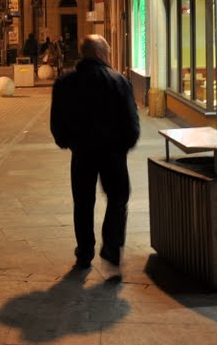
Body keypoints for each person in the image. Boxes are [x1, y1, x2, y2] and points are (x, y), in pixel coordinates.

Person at [49, 34, 140, 271]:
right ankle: (111, 248)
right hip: (113, 154)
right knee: (118, 198)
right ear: (101, 54)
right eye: (107, 53)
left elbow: (57, 122)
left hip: (82, 153)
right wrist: (125, 144)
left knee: (83, 202)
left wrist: (67, 142)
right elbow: (131, 122)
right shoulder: (118, 81)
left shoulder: (65, 82)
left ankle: (84, 252)